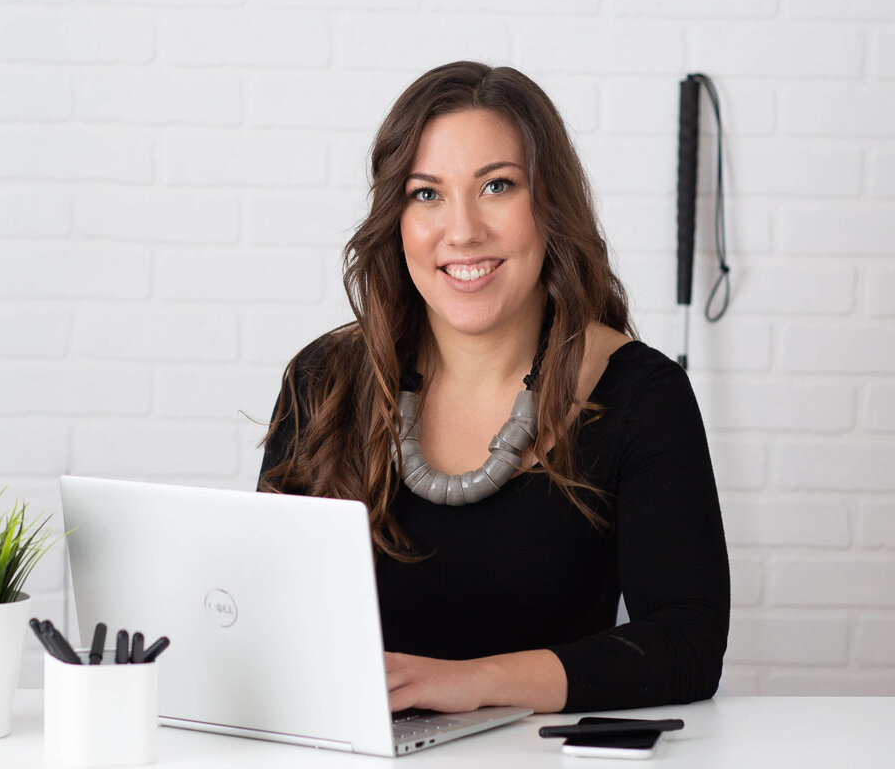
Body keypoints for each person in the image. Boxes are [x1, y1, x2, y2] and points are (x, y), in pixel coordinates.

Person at [258, 62, 729, 715]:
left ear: (549, 206)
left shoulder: (640, 394)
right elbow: (260, 617)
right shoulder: (323, 379)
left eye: (497, 186)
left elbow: (686, 643)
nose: (462, 231)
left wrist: (470, 683)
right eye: (427, 193)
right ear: (395, 219)